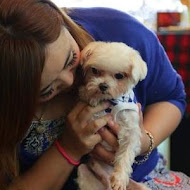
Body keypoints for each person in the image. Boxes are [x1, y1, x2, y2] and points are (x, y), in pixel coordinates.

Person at [0, 0, 189, 189]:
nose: (70, 81)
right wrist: (68, 148)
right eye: (47, 90)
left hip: (143, 177)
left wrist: (143, 141)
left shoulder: (119, 30)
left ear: (61, 19)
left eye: (71, 59)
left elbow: (171, 96)